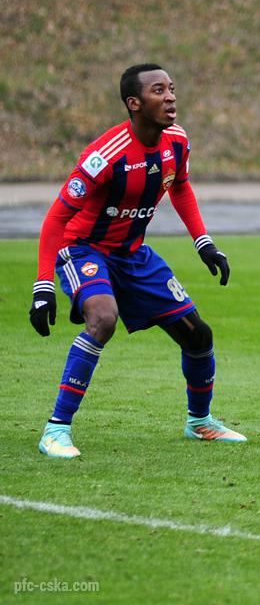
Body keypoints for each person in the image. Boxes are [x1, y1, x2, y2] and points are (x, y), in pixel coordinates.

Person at [29, 64, 245, 458]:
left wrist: (204, 243)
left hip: (133, 254)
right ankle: (55, 430)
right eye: (158, 90)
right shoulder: (104, 155)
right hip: (84, 249)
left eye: (172, 88)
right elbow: (56, 219)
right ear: (135, 103)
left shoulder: (177, 142)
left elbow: (180, 186)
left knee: (198, 335)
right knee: (103, 318)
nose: (170, 97)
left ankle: (199, 422)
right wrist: (43, 286)